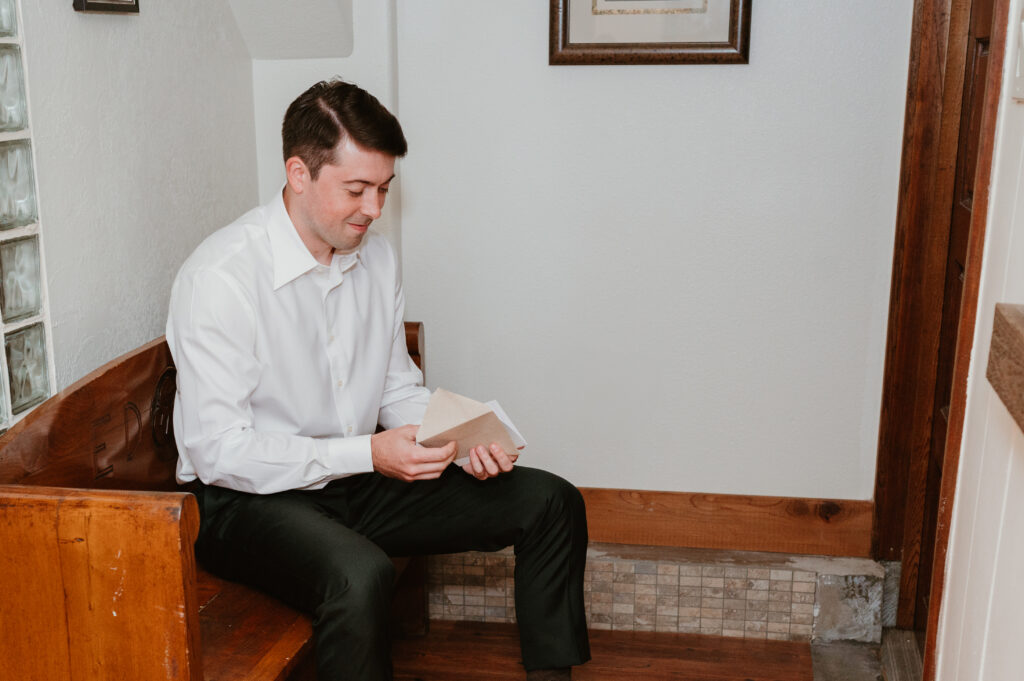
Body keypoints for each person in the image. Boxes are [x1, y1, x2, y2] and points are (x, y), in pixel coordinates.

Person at [166, 79, 591, 681]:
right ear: (299, 173)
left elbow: (393, 386)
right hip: (248, 503)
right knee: (361, 574)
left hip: (357, 478)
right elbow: (219, 451)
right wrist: (367, 452)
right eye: (357, 189)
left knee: (552, 501)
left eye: (384, 189)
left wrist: (462, 439)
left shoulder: (377, 257)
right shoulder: (221, 278)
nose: (374, 209)